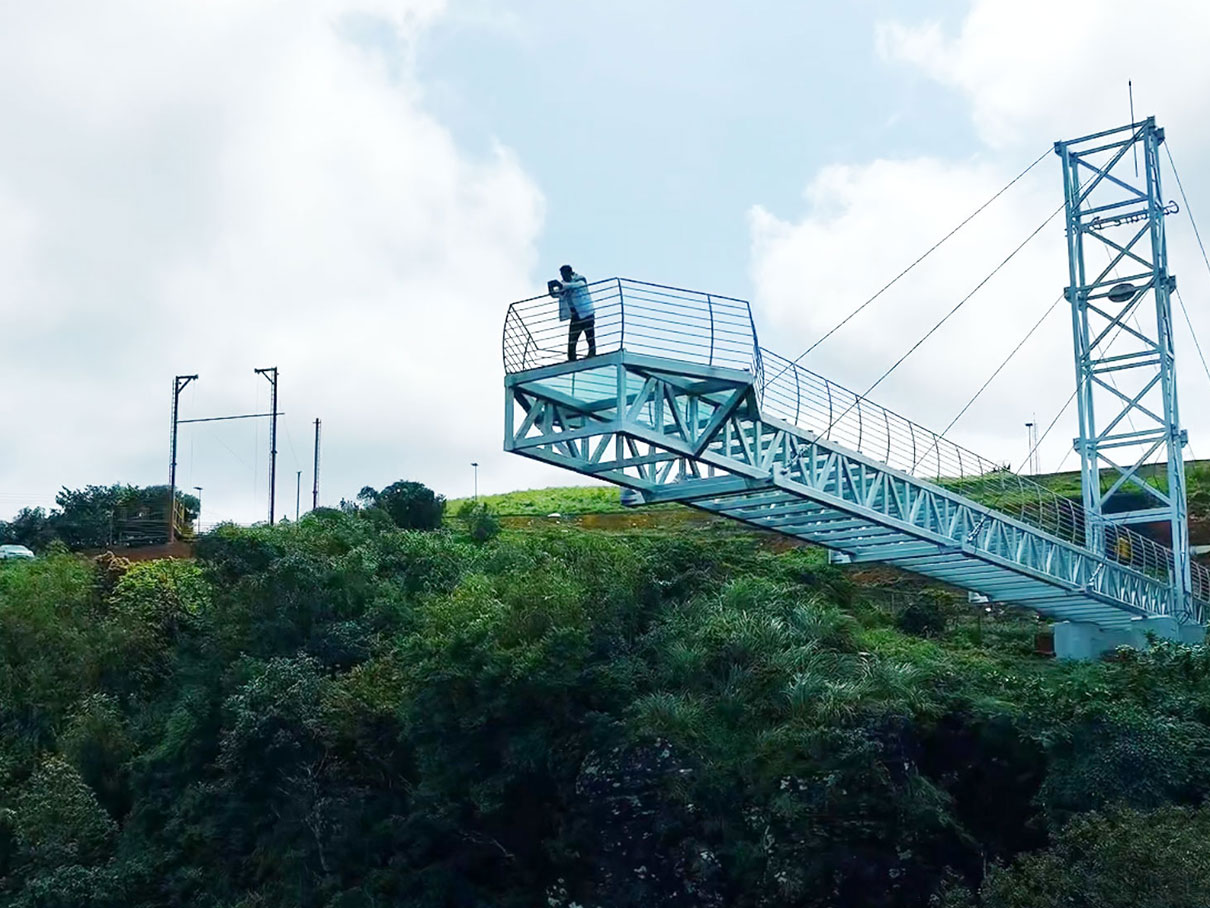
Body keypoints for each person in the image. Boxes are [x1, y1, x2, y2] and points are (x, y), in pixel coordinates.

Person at [551, 264, 595, 360]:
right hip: (575, 316)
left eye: (564, 274)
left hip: (586, 313)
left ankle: (592, 353)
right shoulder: (564, 284)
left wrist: (561, 286)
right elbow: (557, 294)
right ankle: (571, 358)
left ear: (569, 273)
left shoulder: (579, 279)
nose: (563, 276)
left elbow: (577, 285)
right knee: (572, 340)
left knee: (589, 336)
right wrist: (552, 290)